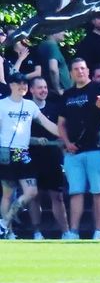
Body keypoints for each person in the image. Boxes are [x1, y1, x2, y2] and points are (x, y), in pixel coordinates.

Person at [57, 58, 100, 239]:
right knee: (76, 192)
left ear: (87, 70)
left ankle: (98, 232)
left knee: (98, 191)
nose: (80, 72)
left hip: (97, 149)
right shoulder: (67, 95)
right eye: (76, 69)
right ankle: (73, 232)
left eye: (83, 68)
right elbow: (61, 124)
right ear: (71, 73)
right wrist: (67, 143)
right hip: (74, 152)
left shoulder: (98, 89)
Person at [0, 73, 61, 238]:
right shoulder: (2, 105)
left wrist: (66, 137)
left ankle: (3, 223)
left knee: (31, 191)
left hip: (23, 153)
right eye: (20, 84)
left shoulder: (30, 106)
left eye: (25, 84)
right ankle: (8, 232)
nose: (23, 87)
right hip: (5, 152)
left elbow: (49, 125)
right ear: (11, 85)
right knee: (8, 193)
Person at [26, 75, 70, 239]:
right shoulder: (25, 109)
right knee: (34, 196)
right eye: (39, 87)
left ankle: (66, 232)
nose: (43, 90)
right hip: (30, 158)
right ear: (31, 90)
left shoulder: (55, 108)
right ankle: (37, 232)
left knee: (57, 197)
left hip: (52, 159)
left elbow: (62, 131)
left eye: (45, 87)